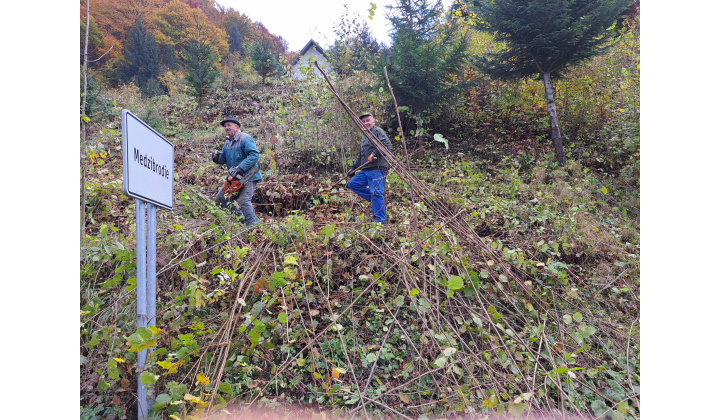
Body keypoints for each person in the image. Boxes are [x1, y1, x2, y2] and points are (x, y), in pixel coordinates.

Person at [211, 116, 262, 225]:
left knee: (244, 201)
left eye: (229, 125)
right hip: (235, 178)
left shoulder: (245, 138)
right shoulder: (227, 143)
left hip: (249, 175)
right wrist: (216, 158)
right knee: (221, 198)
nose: (226, 128)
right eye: (225, 126)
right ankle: (241, 220)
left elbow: (254, 155)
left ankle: (253, 225)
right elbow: (223, 159)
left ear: (237, 127)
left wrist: (241, 167)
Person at [348, 112, 392, 224]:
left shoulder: (377, 131)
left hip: (376, 168)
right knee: (353, 183)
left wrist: (374, 155)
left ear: (373, 121)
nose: (365, 123)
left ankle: (380, 222)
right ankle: (375, 200)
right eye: (363, 121)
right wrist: (353, 168)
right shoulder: (364, 137)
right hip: (365, 169)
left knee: (376, 193)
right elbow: (361, 155)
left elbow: (386, 145)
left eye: (368, 120)